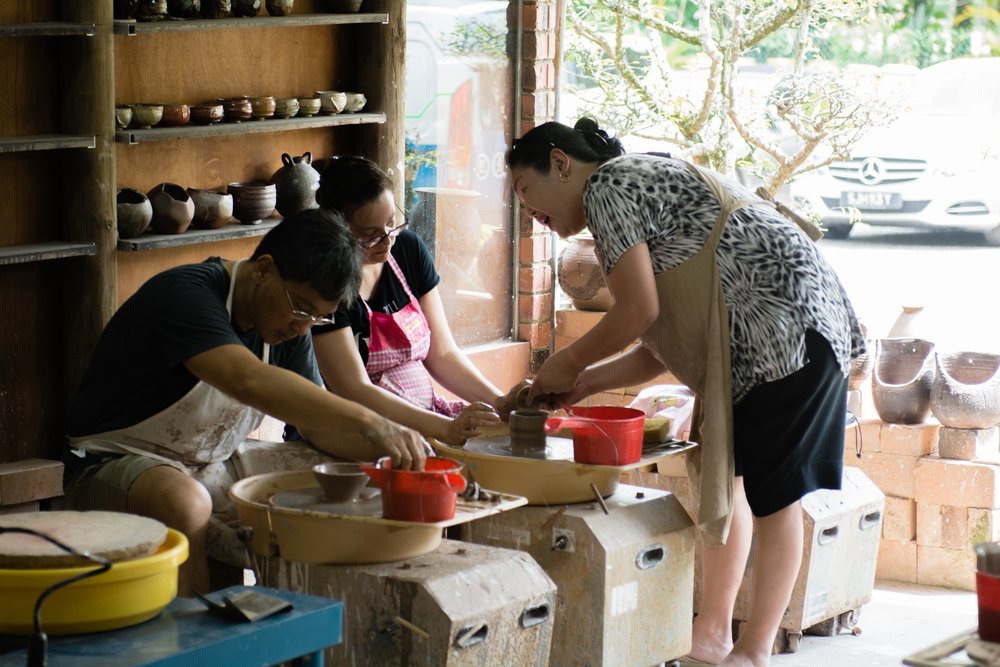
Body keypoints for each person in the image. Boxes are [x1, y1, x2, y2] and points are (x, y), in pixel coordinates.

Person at [510, 118, 865, 667]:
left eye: (526, 191)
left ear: (560, 163)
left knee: (776, 500)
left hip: (786, 331)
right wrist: (578, 386)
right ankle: (714, 633)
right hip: (771, 333)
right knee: (734, 482)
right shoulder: (632, 190)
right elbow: (658, 344)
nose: (529, 211)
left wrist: (566, 359)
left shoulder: (609, 185)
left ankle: (754, 648)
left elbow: (637, 313)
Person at [63, 208, 429, 594]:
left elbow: (316, 426)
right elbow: (247, 380)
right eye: (301, 308)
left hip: (212, 460)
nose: (302, 327)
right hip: (111, 461)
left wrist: (399, 453)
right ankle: (201, 642)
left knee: (340, 472)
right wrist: (371, 422)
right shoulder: (185, 295)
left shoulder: (290, 325)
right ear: (264, 269)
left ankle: (294, 620)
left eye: (317, 319)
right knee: (186, 502)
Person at [310, 156, 526, 445]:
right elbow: (354, 389)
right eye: (370, 235)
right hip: (355, 432)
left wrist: (500, 405)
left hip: (424, 418)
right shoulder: (323, 283)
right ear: (337, 229)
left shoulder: (407, 250)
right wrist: (445, 429)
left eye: (391, 224)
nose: (387, 240)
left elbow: (443, 355)